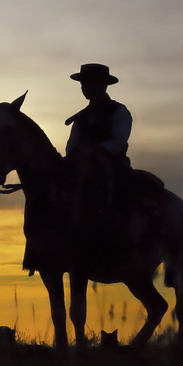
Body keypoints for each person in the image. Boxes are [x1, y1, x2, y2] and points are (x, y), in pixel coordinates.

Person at [63, 63, 133, 240]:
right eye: (83, 84)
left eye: (88, 83)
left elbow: (118, 141)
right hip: (80, 166)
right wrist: (74, 154)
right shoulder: (80, 118)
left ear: (103, 85)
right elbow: (71, 145)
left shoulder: (119, 111)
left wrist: (94, 151)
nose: (84, 87)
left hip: (112, 166)